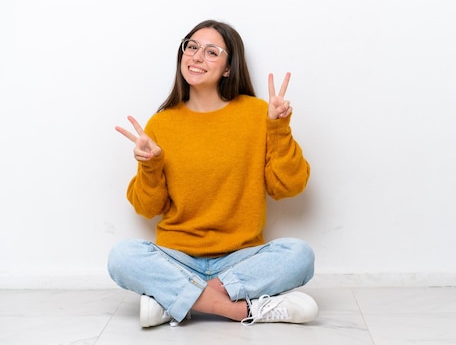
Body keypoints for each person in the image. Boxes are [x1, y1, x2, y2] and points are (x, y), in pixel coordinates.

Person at [107, 19, 317, 328]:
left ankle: (175, 301)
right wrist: (150, 165)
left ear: (229, 68)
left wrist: (279, 129)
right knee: (122, 256)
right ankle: (238, 309)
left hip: (240, 259)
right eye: (191, 47)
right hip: (178, 258)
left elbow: (289, 187)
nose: (196, 56)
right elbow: (147, 208)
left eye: (211, 52)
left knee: (300, 255)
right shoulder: (162, 124)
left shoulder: (258, 114)